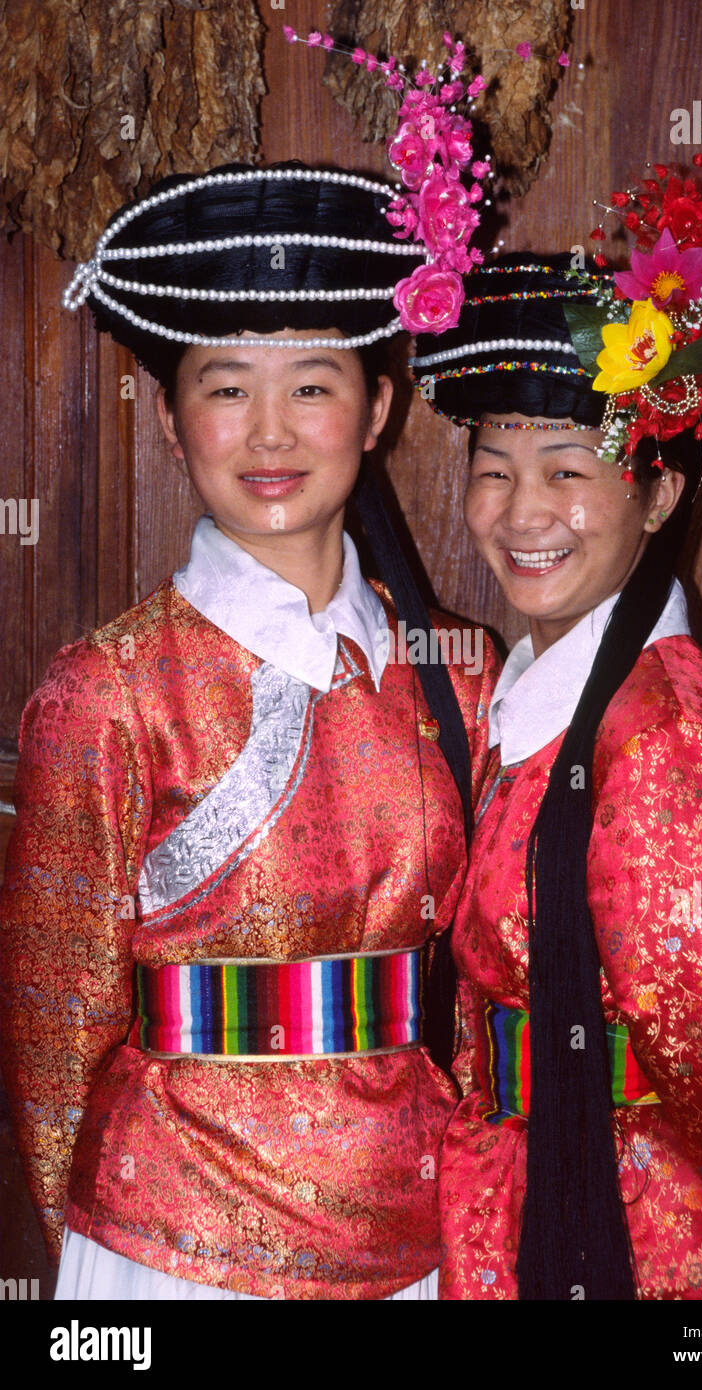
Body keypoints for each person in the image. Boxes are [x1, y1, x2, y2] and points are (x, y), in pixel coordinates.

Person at [0, 161, 499, 1300]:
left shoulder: (459, 677)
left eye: (313, 386)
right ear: (173, 422)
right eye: (225, 387)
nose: (269, 432)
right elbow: (50, 1031)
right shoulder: (108, 691)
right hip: (168, 1250)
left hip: (420, 1234)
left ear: (377, 409)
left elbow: (482, 985)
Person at [409, 168, 702, 1301]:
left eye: (569, 470)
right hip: (528, 1192)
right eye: (495, 471)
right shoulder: (536, 703)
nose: (522, 513)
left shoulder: (659, 736)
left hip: (634, 1235)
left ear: (658, 497)